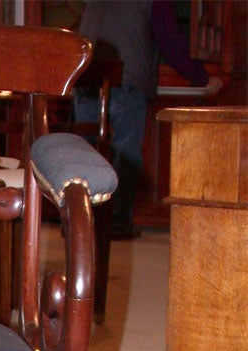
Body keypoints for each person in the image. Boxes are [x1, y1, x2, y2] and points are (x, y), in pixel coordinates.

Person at [74, 0, 222, 240]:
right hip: (126, 78)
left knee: (84, 151)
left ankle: (79, 223)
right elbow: (169, 41)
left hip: (86, 75)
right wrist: (200, 76)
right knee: (126, 153)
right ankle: (116, 224)